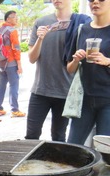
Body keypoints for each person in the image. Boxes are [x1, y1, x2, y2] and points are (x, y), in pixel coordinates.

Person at [25, 0, 91, 142]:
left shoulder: (81, 24)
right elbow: (31, 58)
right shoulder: (42, 22)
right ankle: (29, 164)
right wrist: (40, 39)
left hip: (65, 92)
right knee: (31, 135)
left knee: (59, 137)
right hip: (40, 90)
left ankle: (55, 165)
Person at [66, 0, 110, 145]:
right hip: (83, 99)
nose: (95, 2)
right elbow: (70, 68)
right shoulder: (81, 30)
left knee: (105, 152)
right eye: (91, 0)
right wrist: (75, 60)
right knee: (72, 147)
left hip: (107, 100)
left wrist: (107, 61)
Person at [0, 10, 26, 118]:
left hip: (1, 63)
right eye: (14, 17)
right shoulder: (13, 31)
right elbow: (16, 48)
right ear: (8, 19)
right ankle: (15, 110)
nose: (16, 19)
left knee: (1, 85)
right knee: (14, 86)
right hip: (11, 62)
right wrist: (19, 64)